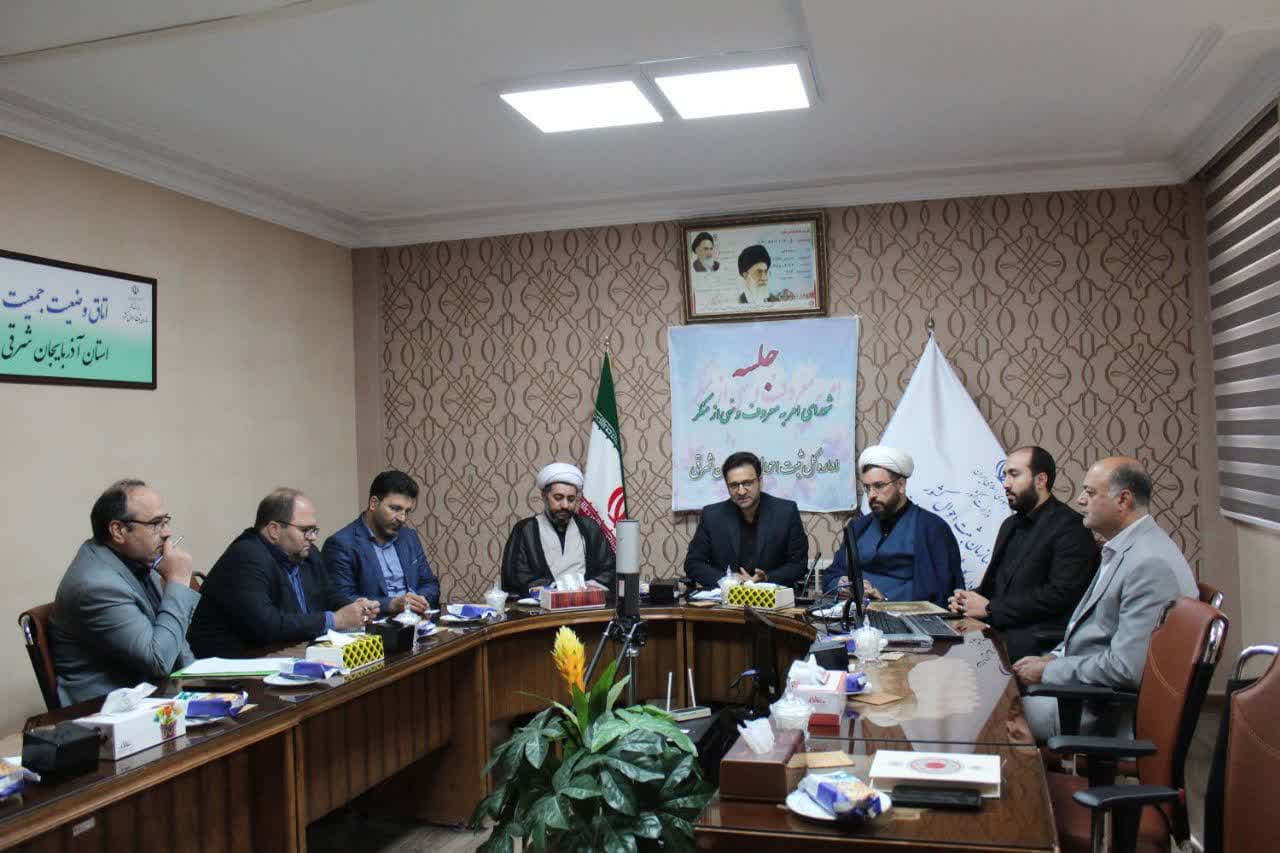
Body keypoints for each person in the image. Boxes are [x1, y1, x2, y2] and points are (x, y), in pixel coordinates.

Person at [1011, 456, 1197, 741]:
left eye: (1090, 492)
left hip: (1098, 711)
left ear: (1123, 500)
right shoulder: (1126, 547)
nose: (1080, 499)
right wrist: (1052, 657)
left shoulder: (1149, 564)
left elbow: (1126, 669)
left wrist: (1049, 671)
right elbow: (1093, 630)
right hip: (1082, 694)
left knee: (996, 714)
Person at [51, 479, 200, 704]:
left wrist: (201, 684)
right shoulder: (97, 586)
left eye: (166, 521)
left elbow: (176, 643)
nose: (167, 532)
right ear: (118, 531)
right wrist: (177, 581)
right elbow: (159, 661)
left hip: (152, 695)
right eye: (156, 523)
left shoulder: (137, 558)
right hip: (104, 709)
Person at [948, 446, 1099, 661]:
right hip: (995, 630)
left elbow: (1059, 595)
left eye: (1014, 474)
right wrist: (966, 600)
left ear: (1041, 480)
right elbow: (995, 586)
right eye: (1005, 475)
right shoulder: (1010, 525)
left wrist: (990, 609)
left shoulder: (1072, 528)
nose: (1006, 484)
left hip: (1034, 641)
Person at [189, 488, 376, 658]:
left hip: (286, 653)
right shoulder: (246, 557)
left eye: (314, 530)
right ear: (274, 530)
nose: (312, 537)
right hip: (230, 665)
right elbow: (267, 625)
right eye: (305, 530)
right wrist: (335, 619)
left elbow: (329, 595)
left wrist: (355, 608)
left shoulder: (307, 553)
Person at [823, 446, 963, 607]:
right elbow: (832, 574)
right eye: (867, 487)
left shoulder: (933, 529)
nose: (872, 495)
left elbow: (943, 591)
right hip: (857, 614)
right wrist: (842, 584)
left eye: (879, 486)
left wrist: (885, 600)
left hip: (907, 616)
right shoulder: (858, 527)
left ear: (901, 485)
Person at [684, 451, 808, 589]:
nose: (741, 491)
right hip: (727, 597)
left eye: (747, 483)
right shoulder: (712, 516)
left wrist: (766, 578)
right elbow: (693, 563)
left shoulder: (786, 512)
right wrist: (728, 580)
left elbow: (799, 565)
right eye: (734, 485)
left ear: (760, 481)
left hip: (772, 596)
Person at [323, 470, 440, 616]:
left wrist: (420, 600)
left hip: (417, 622)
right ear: (373, 503)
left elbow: (430, 583)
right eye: (395, 509)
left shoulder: (409, 537)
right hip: (375, 626)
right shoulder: (341, 544)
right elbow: (341, 601)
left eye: (407, 511)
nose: (402, 518)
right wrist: (391, 604)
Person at [501, 463, 615, 596]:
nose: (565, 505)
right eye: (558, 498)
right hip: (542, 607)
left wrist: (585, 588)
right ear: (544, 496)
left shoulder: (590, 528)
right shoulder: (525, 530)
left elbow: (608, 570)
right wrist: (556, 589)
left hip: (583, 604)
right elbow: (515, 576)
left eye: (571, 499)